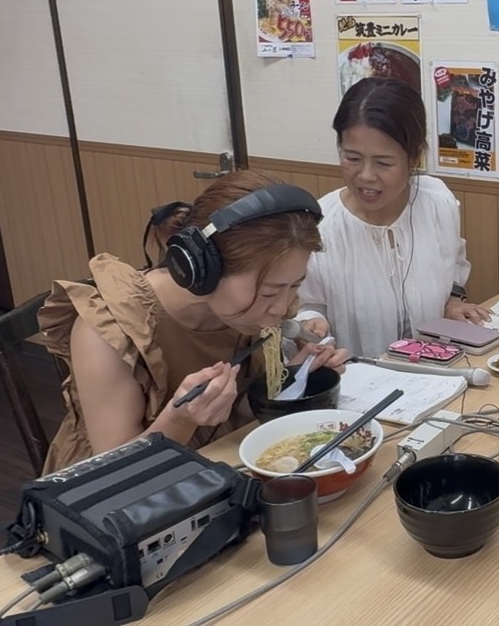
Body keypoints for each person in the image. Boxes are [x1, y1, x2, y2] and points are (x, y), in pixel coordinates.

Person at [38, 170, 348, 475]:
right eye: (269, 291)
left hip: (215, 467)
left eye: (294, 286)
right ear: (202, 269)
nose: (282, 308)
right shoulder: (108, 329)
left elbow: (236, 416)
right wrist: (181, 420)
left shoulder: (245, 314)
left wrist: (297, 377)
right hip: (112, 501)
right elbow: (113, 475)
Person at [296, 76, 491, 357]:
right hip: (358, 384)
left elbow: (454, 268)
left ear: (414, 157)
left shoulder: (436, 202)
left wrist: (452, 303)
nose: (365, 176)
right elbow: (305, 306)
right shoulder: (320, 226)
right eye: (352, 158)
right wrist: (310, 323)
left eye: (383, 162)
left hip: (438, 372)